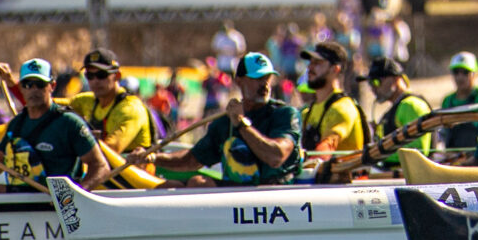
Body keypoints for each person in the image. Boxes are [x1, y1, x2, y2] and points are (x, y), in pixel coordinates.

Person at [151, 53, 305, 184]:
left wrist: (241, 124)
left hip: (276, 194)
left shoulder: (285, 114)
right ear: (239, 81)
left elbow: (276, 157)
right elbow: (191, 160)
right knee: (196, 183)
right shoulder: (224, 123)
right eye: (257, 78)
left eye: (268, 78)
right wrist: (153, 158)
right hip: (236, 199)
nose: (265, 84)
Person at [0, 59, 108, 190]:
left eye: (40, 84)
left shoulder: (69, 123)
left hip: (55, 201)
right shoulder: (16, 124)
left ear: (52, 86)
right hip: (26, 197)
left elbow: (101, 167)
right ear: (21, 87)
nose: (34, 90)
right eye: (28, 84)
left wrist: (74, 196)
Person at [65, 49, 156, 168]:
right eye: (90, 76)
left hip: (130, 175)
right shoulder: (86, 101)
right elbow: (52, 106)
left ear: (117, 76)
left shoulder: (131, 108)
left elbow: (110, 151)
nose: (95, 81)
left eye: (101, 75)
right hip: (104, 171)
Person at [298, 39, 371, 176]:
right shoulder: (308, 111)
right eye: (310, 63)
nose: (310, 68)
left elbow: (325, 151)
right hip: (319, 181)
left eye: (317, 63)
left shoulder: (342, 108)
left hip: (344, 184)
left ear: (335, 69)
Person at [435, 51, 478, 163]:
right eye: (456, 72)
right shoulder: (447, 100)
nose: (460, 77)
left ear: (475, 74)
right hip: (454, 160)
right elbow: (443, 134)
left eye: (465, 73)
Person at [368, 57, 432, 158]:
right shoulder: (396, 108)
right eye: (370, 84)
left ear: (395, 79)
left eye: (377, 82)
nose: (373, 88)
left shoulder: (410, 105)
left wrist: (378, 154)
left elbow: (418, 150)